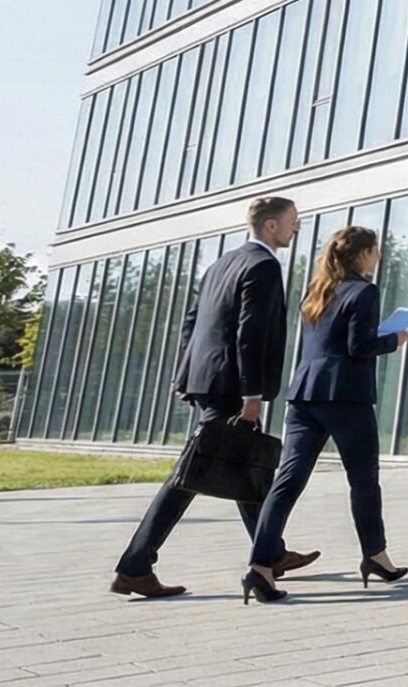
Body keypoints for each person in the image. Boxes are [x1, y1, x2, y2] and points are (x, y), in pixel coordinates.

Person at [111, 196, 319, 598]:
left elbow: (192, 322)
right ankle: (134, 565)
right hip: (231, 386)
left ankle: (271, 552)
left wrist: (185, 376)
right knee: (189, 475)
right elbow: (250, 332)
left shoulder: (221, 264)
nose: (297, 228)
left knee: (243, 464)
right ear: (271, 226)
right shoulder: (263, 265)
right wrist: (252, 394)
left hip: (210, 378)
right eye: (293, 221)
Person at [239, 225, 408, 603]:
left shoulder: (317, 289)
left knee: (287, 482)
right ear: (363, 254)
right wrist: (394, 339)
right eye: (375, 251)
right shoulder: (364, 291)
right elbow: (358, 346)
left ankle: (259, 567)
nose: (379, 257)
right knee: (364, 482)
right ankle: (375, 554)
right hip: (346, 399)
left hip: (305, 395)